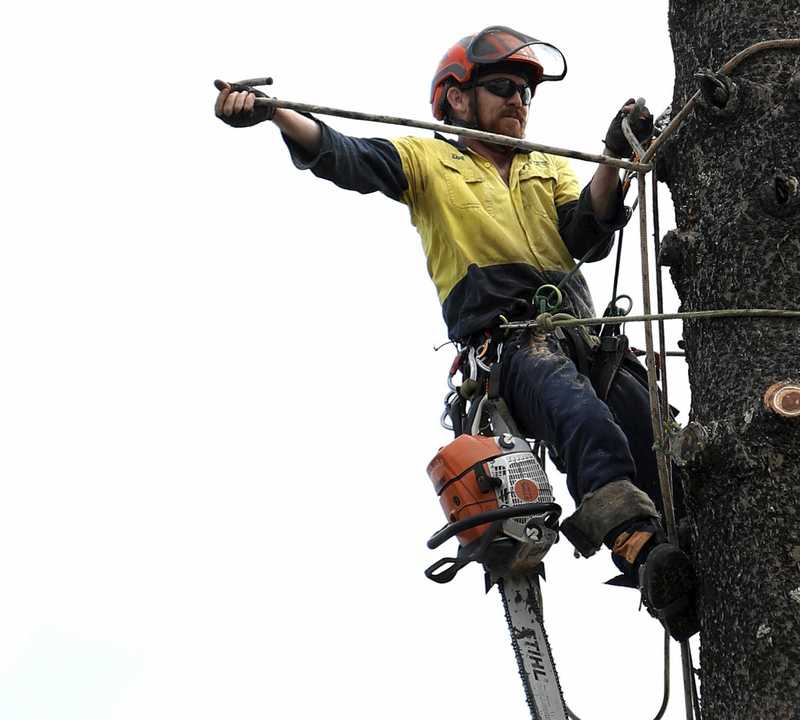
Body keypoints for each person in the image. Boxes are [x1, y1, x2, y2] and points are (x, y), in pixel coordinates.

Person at [213, 25, 697, 640]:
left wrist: (612, 157)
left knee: (658, 432)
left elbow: (584, 234)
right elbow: (345, 154)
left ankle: (693, 558)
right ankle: (639, 545)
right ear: (456, 98)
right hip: (513, 340)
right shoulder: (429, 163)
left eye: (525, 92)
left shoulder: (546, 164)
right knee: (583, 420)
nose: (518, 101)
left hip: (584, 333)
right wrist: (277, 115)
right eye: (501, 87)